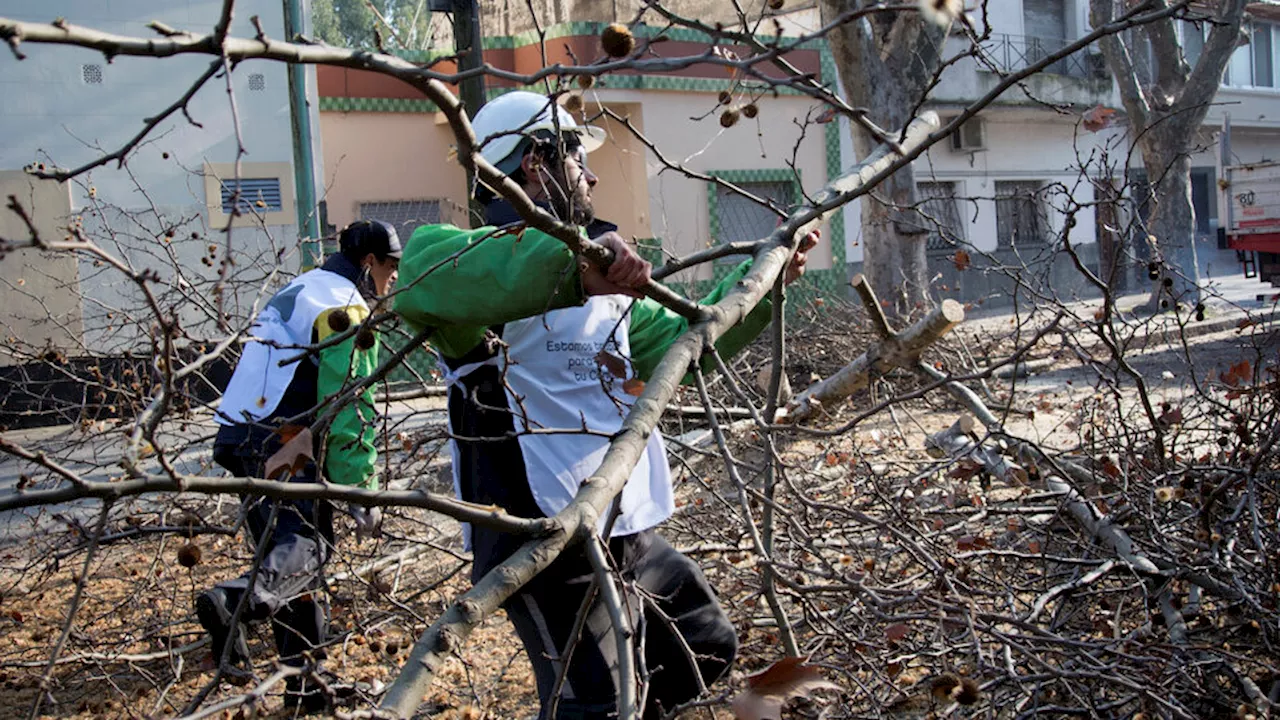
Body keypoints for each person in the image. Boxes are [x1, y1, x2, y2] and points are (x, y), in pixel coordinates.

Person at [393, 90, 818, 719]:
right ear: (535, 161)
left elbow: (685, 342)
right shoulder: (470, 272)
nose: (591, 174)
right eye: (576, 157)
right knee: (592, 704)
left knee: (701, 645)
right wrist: (573, 261)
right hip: (542, 541)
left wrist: (759, 285)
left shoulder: (612, 297)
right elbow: (423, 275)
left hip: (626, 528)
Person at [198, 220, 401, 712]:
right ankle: (231, 601)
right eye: (391, 269)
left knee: (288, 561)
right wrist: (361, 489)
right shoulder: (344, 308)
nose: (393, 282)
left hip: (240, 430)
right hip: (279, 433)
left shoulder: (301, 287)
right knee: (309, 544)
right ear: (369, 262)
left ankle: (307, 684)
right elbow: (350, 400)